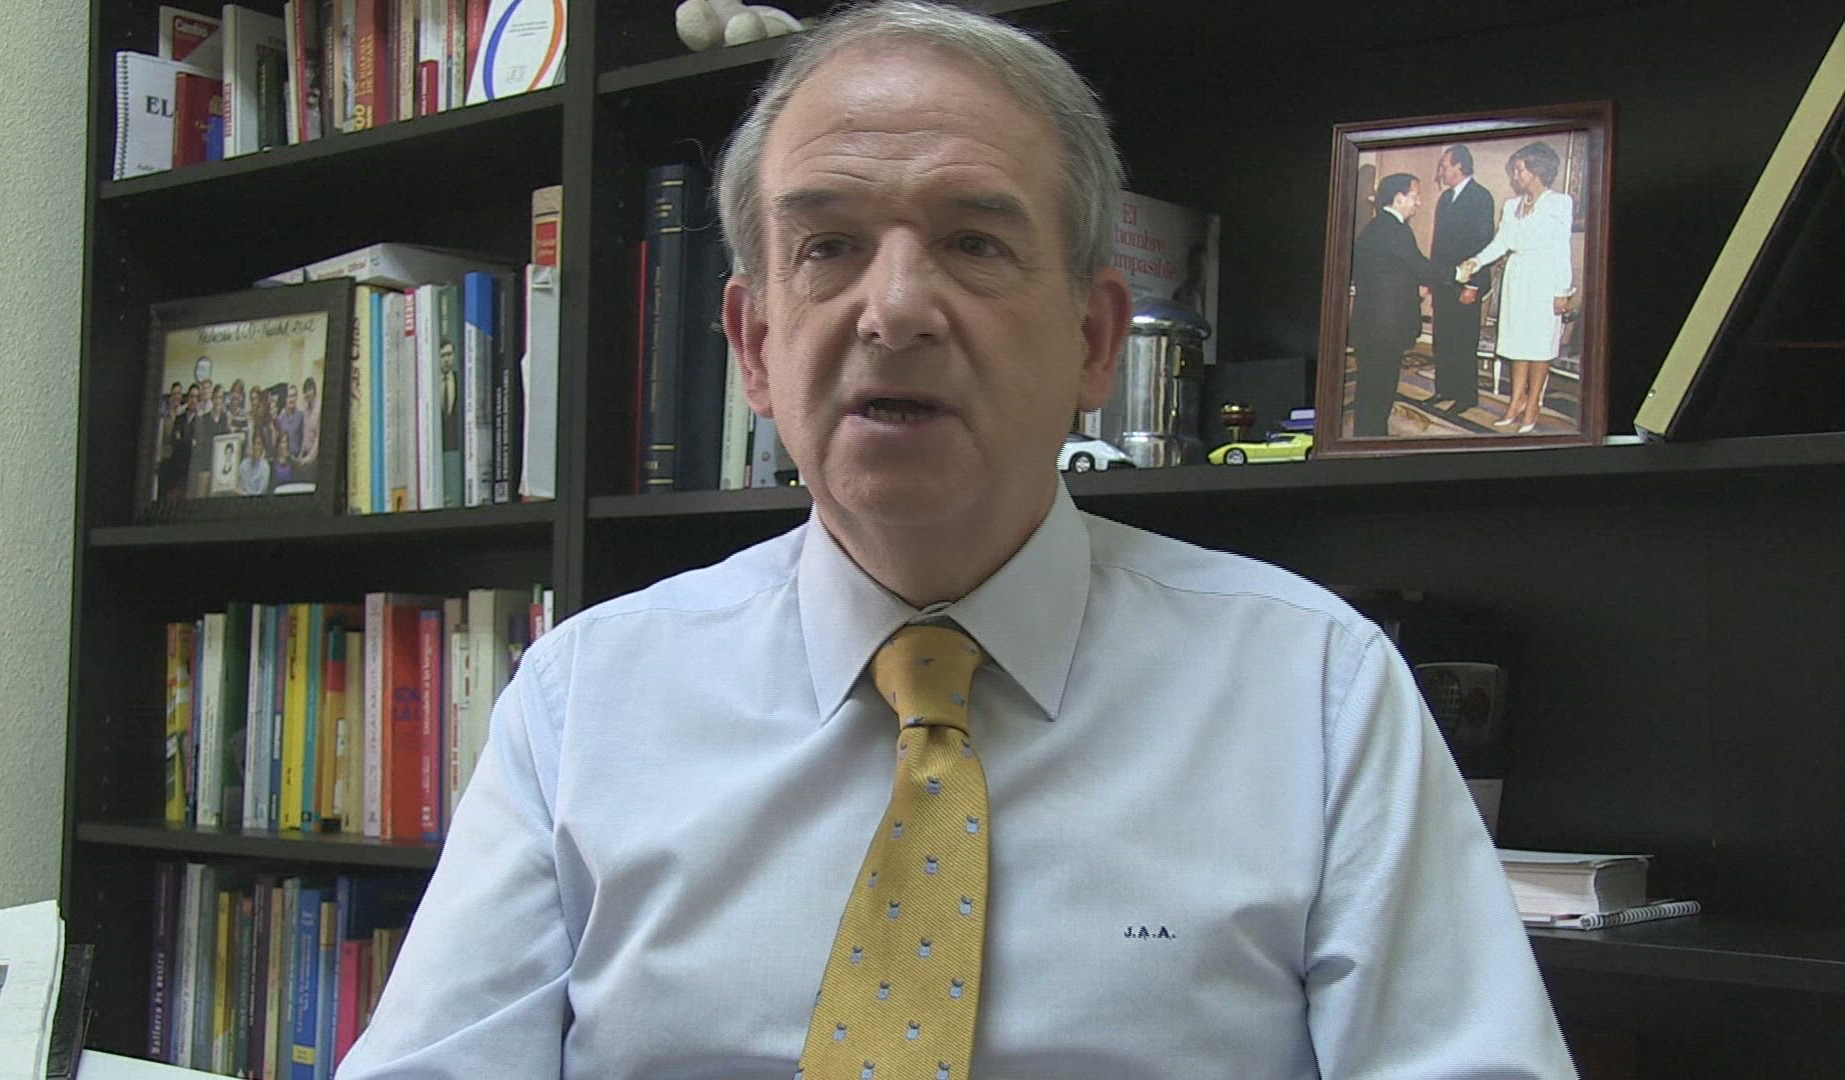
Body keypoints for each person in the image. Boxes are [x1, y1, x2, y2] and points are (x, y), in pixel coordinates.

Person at [338, 4, 1575, 1077]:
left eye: (975, 243)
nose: (894, 310)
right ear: (756, 345)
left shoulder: (1318, 692)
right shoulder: (583, 703)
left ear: (1094, 341)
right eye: (828, 247)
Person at [1459, 141, 1576, 433]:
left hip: (1544, 279)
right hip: (1517, 278)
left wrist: (1562, 291)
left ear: (1537, 170)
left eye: (1520, 170)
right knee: (1516, 344)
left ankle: (1533, 403)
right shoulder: (1512, 206)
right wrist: (1476, 261)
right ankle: (1515, 401)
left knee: (1539, 345)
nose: (1515, 176)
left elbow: (1562, 249)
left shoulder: (1559, 203)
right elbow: (1501, 243)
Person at [1348, 173, 1463, 436]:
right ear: (1399, 198)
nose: (1418, 202)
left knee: (1369, 388)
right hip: (1385, 328)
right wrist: (1457, 273)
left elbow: (1390, 269)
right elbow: (1422, 267)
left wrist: (1412, 285)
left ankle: (1366, 436)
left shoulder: (1376, 226)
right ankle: (1373, 441)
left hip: (1371, 324)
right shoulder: (1395, 230)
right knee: (1380, 390)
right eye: (1415, 196)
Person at [1426, 144, 1495, 415]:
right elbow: (1438, 243)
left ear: (1459, 166)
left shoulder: (1481, 197)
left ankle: (1466, 396)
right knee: (1442, 338)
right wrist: (1431, 278)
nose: (1441, 171)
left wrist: (1473, 284)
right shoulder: (1445, 198)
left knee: (1463, 340)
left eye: (1444, 166)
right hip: (1444, 280)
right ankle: (1444, 389)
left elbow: (1483, 244)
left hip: (1467, 283)